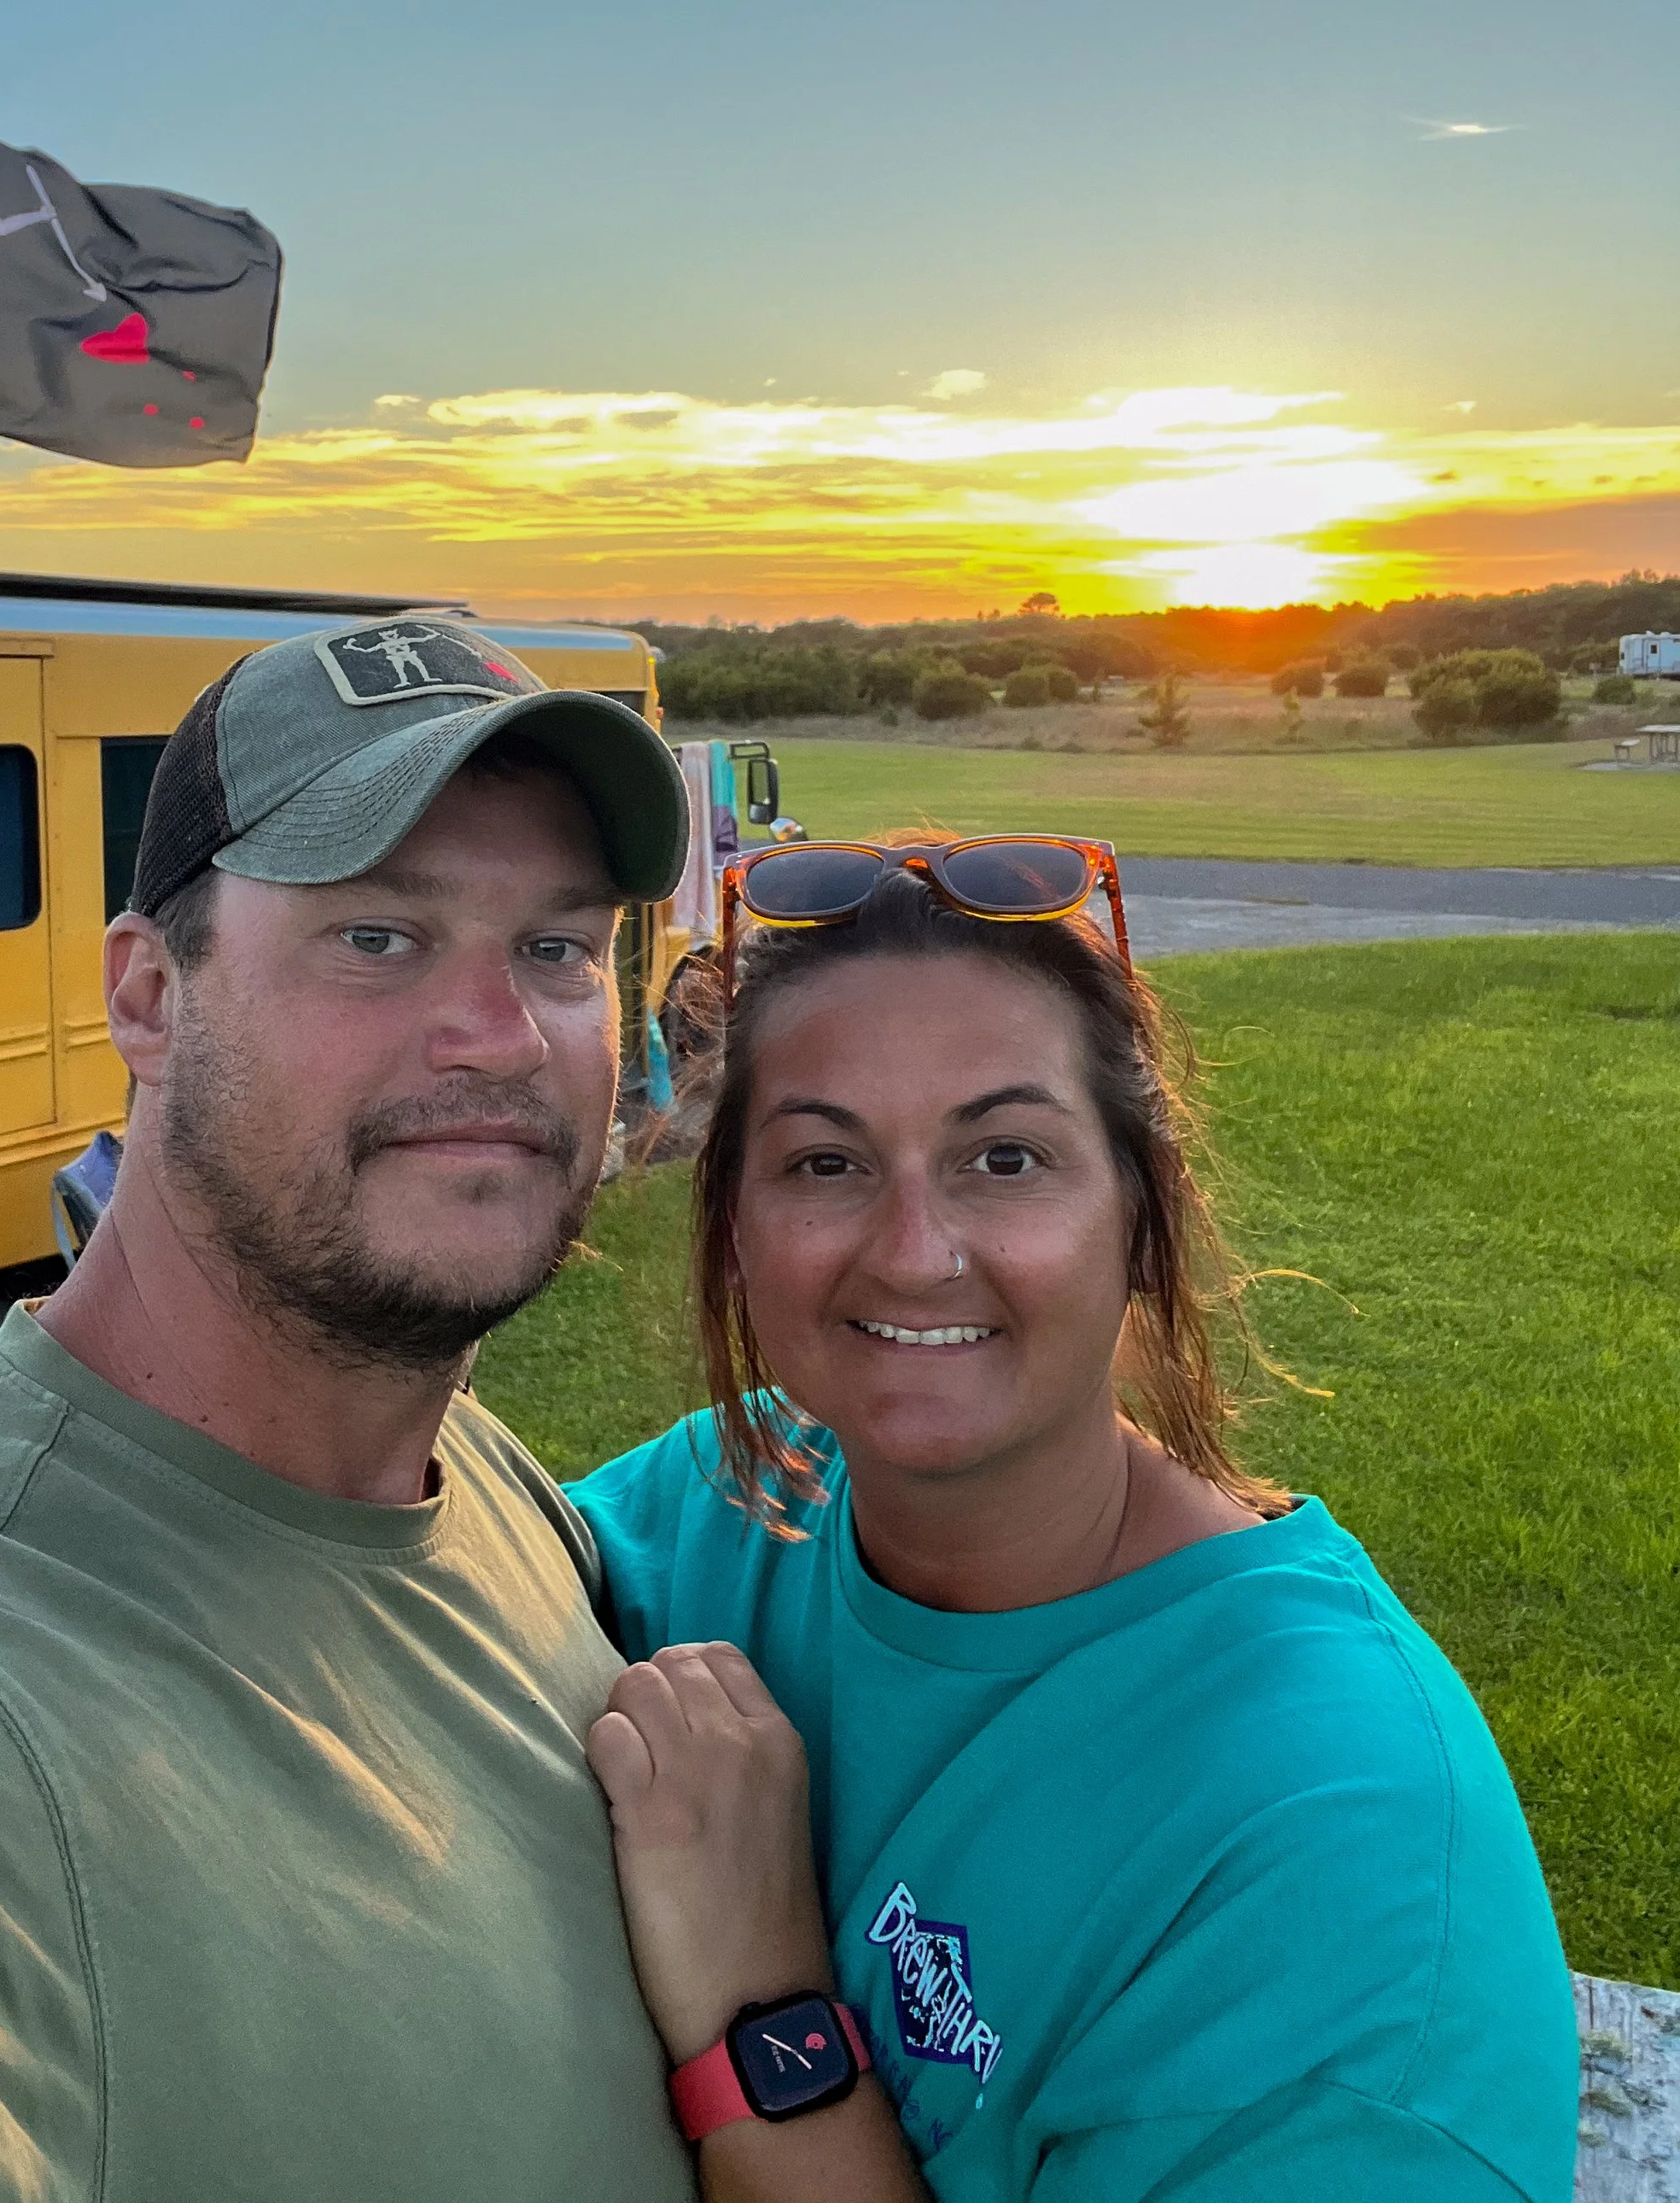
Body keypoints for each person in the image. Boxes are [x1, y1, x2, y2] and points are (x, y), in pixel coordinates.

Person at [0, 622, 702, 2203]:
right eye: (378, 937)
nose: (499, 1034)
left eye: (558, 949)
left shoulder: (473, 1482)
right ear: (150, 997)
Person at [568, 836, 1581, 2201]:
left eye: (1004, 1157)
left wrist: (765, 2012)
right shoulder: (734, 1500)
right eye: (823, 1164)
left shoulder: (1332, 1855)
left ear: (1142, 1221)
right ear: (735, 1230)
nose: (914, 1251)